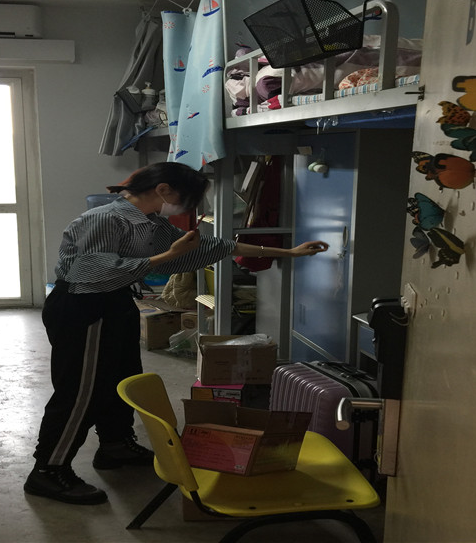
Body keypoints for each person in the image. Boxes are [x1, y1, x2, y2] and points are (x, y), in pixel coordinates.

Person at [24, 161, 329, 505]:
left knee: (121, 377)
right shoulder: (106, 219)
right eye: (187, 198)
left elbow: (210, 246)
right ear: (163, 190)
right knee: (81, 391)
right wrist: (167, 256)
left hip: (115, 300)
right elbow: (90, 271)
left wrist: (288, 252)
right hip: (84, 304)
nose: (186, 207)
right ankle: (48, 470)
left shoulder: (150, 222)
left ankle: (114, 445)